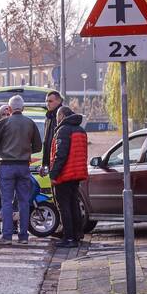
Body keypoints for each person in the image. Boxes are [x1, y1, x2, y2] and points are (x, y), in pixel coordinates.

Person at [0, 94, 41, 244]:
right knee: (23, 201)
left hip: (6, 166)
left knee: (6, 202)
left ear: (10, 108)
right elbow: (38, 146)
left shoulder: (4, 122)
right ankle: (23, 236)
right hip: (24, 166)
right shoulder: (30, 123)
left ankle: (6, 236)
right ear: (23, 108)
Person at [49, 105, 89, 248]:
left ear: (63, 116)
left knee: (63, 206)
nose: (57, 119)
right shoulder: (81, 130)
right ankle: (77, 234)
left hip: (65, 174)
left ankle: (69, 237)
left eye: (58, 116)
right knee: (74, 205)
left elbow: (61, 154)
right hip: (77, 173)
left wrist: (53, 174)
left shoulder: (63, 130)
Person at [40, 90, 63, 174]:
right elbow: (46, 142)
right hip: (51, 161)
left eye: (50, 101)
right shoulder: (49, 117)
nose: (47, 103)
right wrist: (44, 164)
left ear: (59, 101)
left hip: (59, 162)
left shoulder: (63, 117)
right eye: (46, 101)